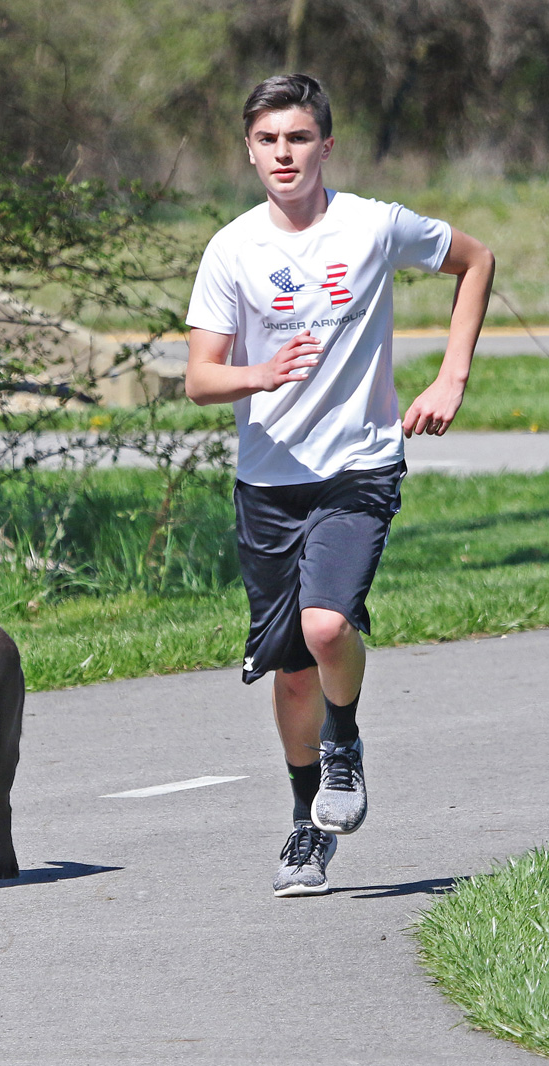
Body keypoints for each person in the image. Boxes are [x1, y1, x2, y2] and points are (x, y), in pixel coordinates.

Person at [184, 75, 494, 896]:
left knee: (327, 628)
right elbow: (199, 380)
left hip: (359, 466)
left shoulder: (373, 226)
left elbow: (475, 260)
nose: (283, 154)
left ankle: (344, 741)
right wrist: (260, 372)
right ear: (248, 150)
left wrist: (450, 378)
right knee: (290, 671)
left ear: (327, 143)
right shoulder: (233, 248)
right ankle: (303, 828)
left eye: (297, 137)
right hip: (268, 482)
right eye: (267, 140)